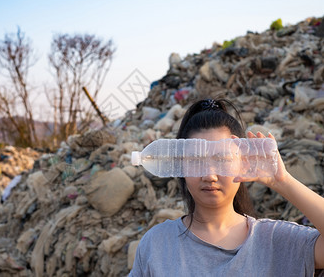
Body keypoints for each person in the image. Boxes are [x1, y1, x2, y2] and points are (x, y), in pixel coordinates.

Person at [129, 98, 324, 276]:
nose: (209, 175)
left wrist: (282, 181)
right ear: (181, 166)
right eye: (196, 160)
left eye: (222, 159)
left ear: (244, 162)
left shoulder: (276, 241)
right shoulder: (156, 244)